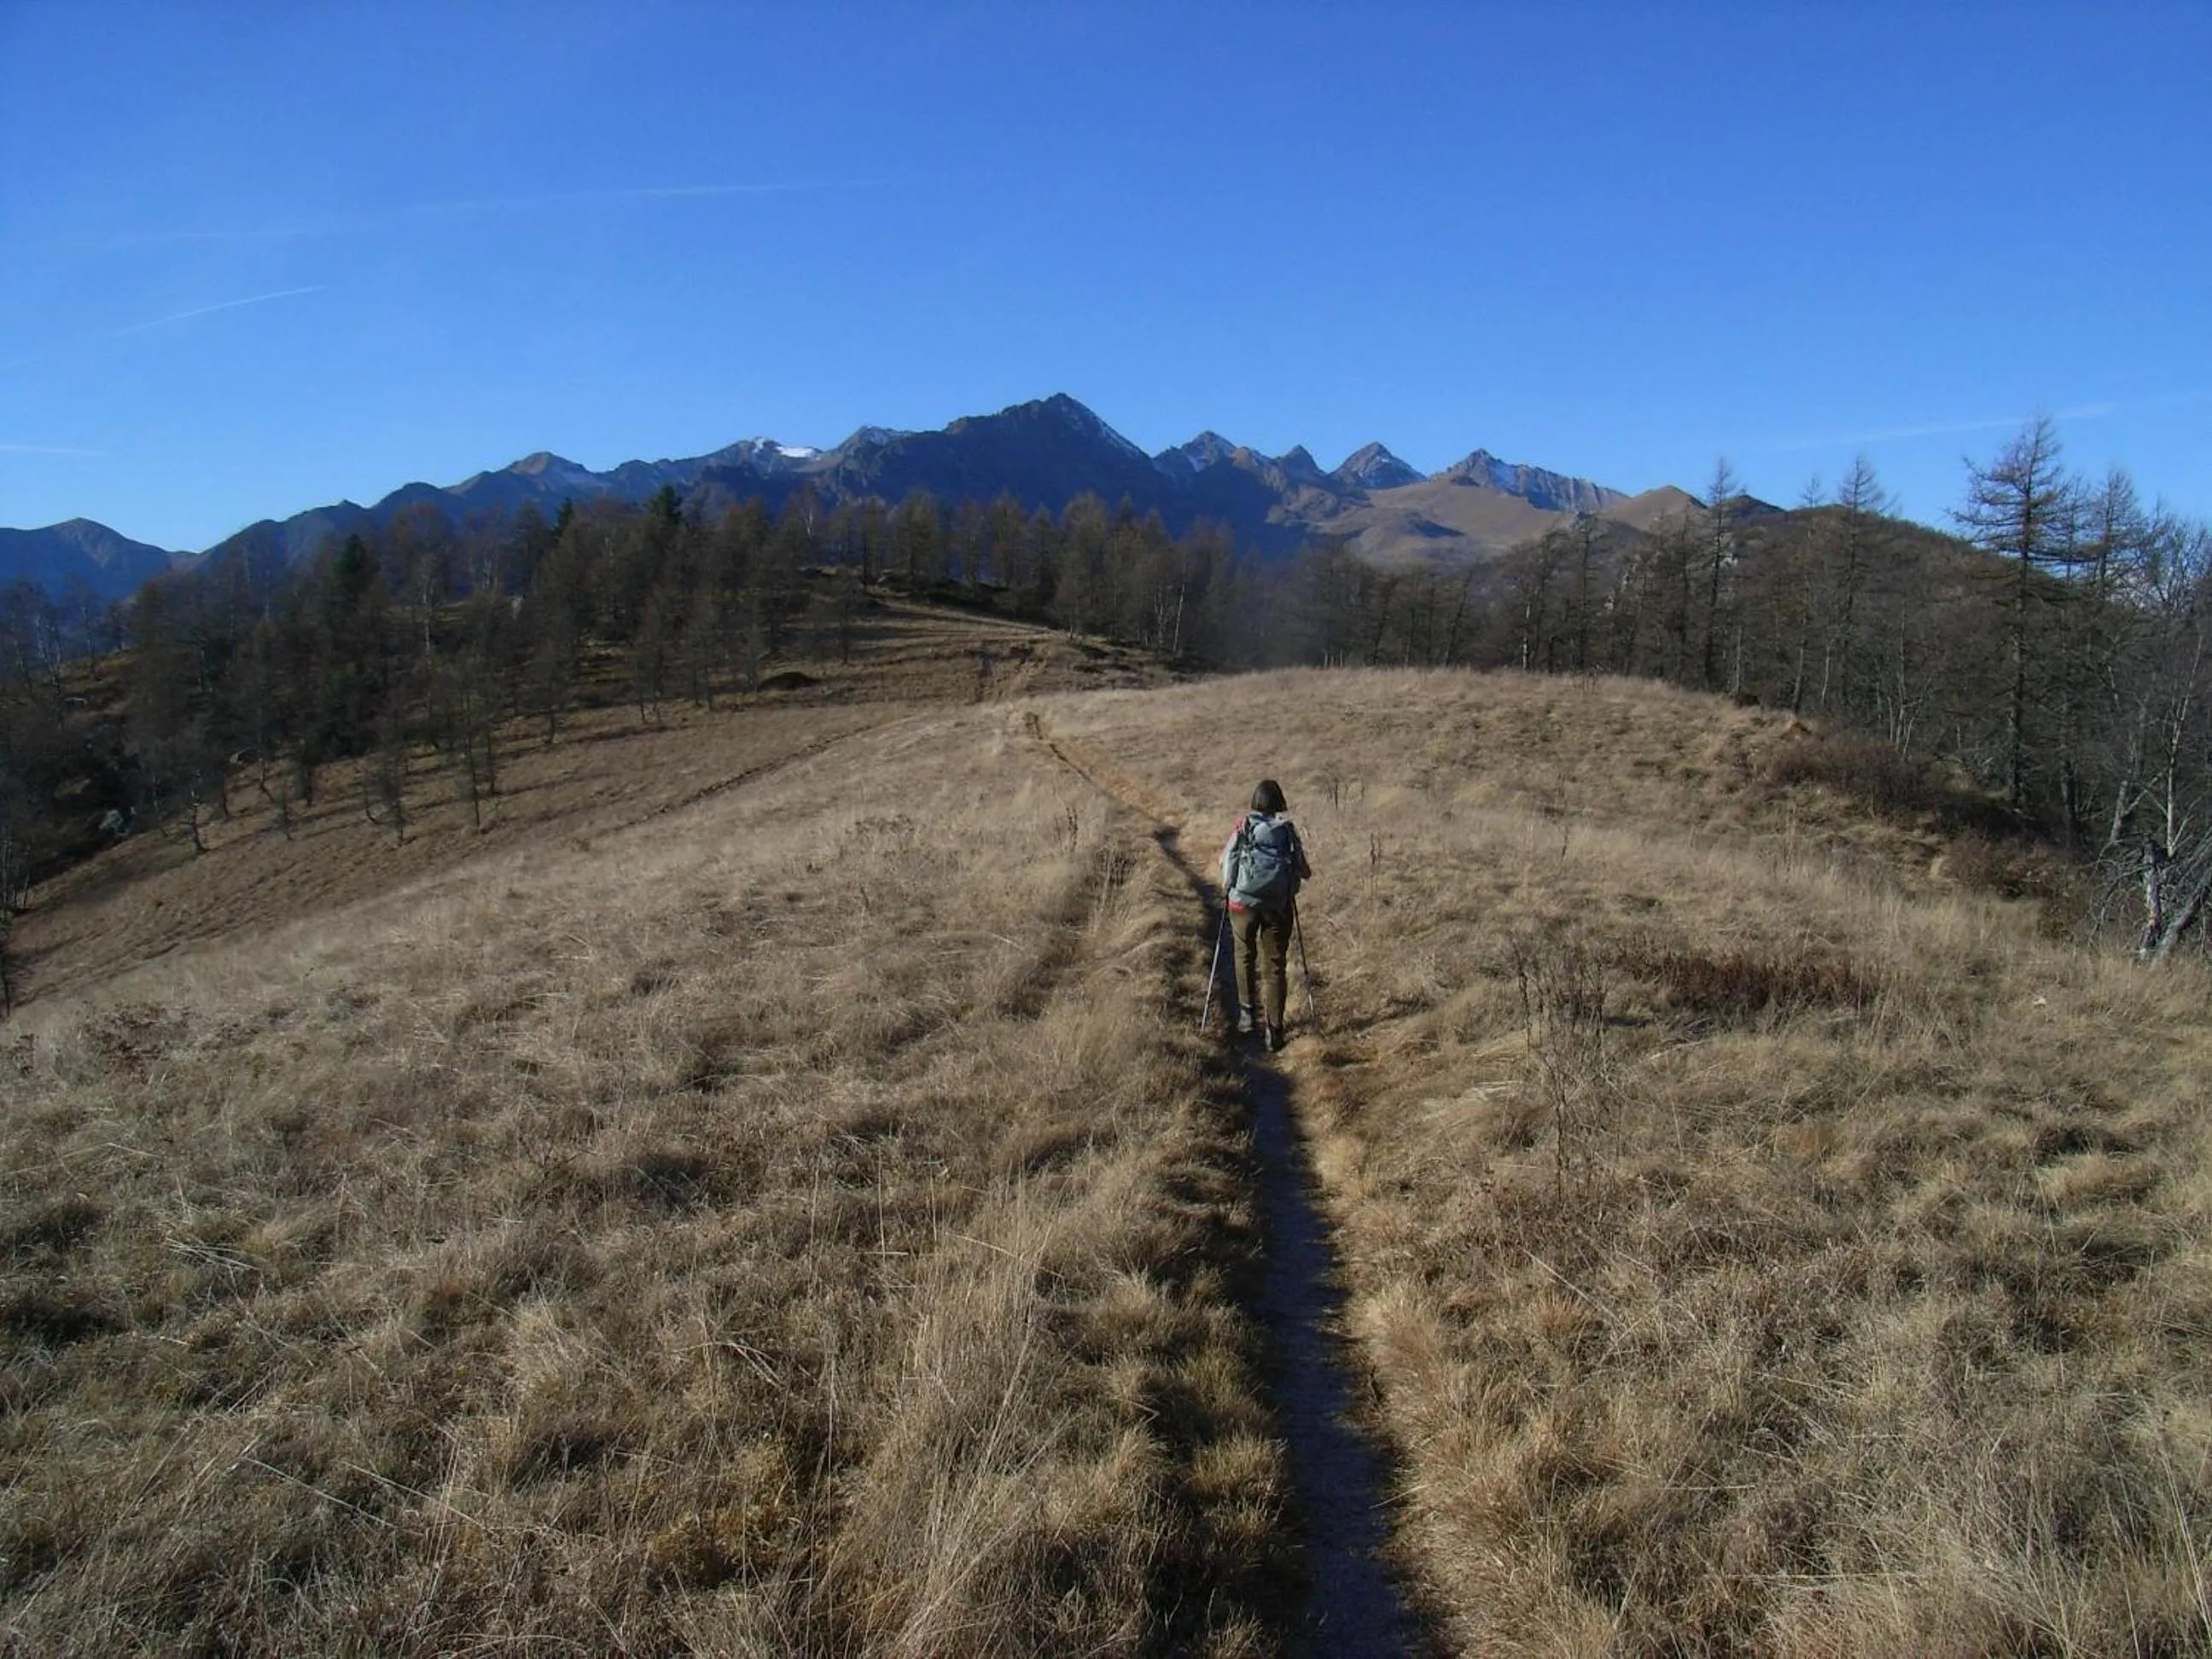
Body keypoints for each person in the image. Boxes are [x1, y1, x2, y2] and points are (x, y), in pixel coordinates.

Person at [1219, 778, 1312, 1052]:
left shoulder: (1243, 827)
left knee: (1243, 954)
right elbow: (1305, 871)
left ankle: (1247, 1015)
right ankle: (1275, 1031)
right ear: (1279, 803)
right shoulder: (1287, 831)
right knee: (1275, 966)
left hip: (1242, 905)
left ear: (1255, 802)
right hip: (1278, 907)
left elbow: (1224, 861)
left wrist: (1230, 885)